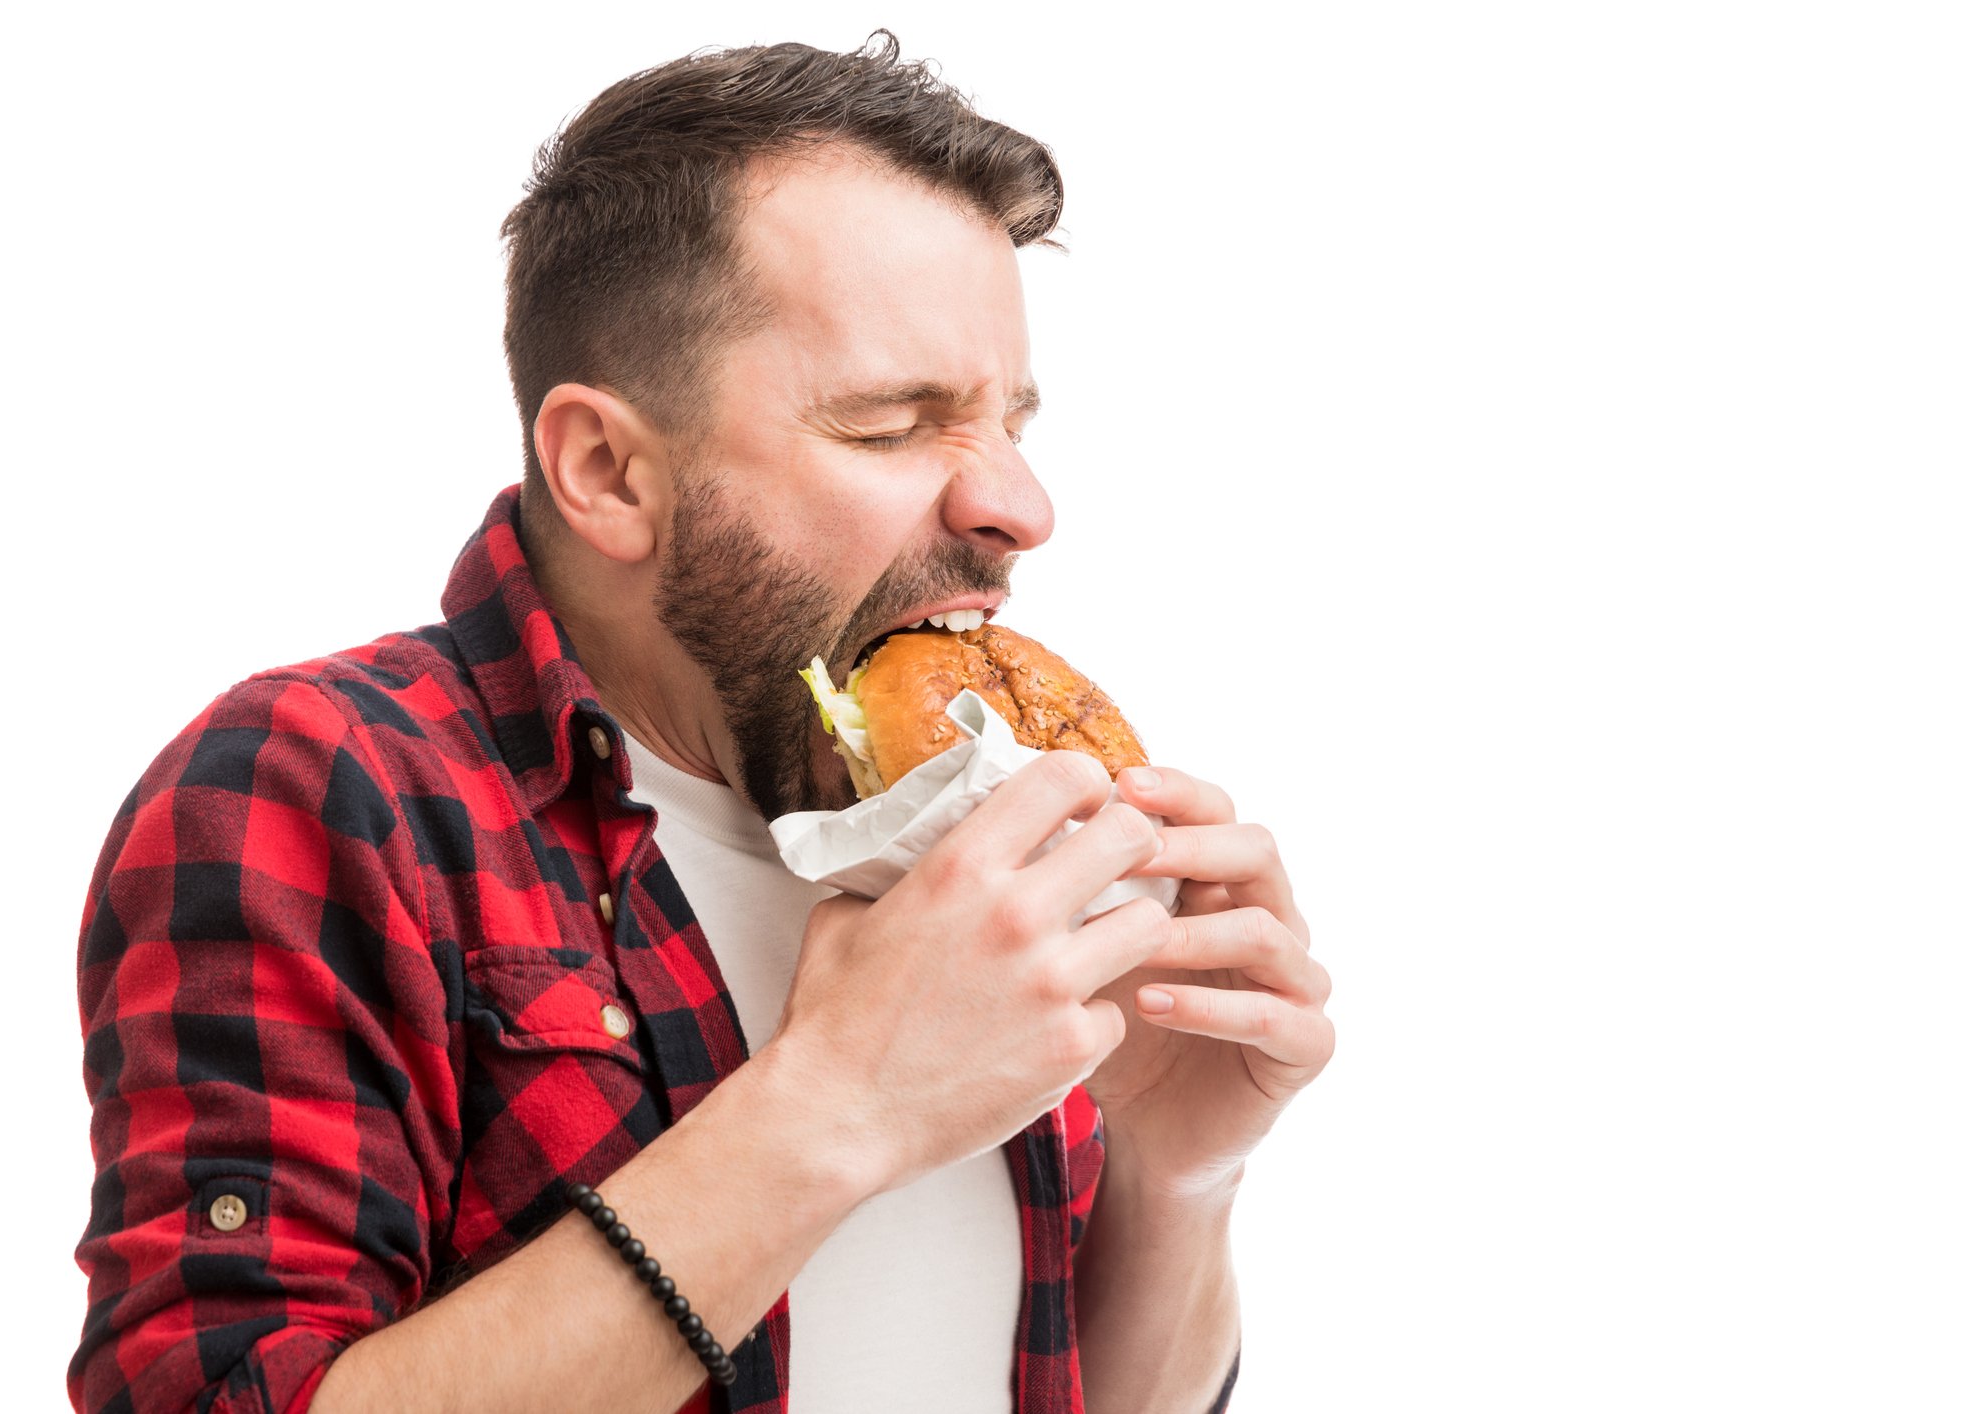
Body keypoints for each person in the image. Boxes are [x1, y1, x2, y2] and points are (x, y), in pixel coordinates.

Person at [70, 32, 1334, 1414]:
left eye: (1007, 422)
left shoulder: (980, 848)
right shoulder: (324, 783)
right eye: (892, 424)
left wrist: (1177, 1168)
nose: (1020, 508)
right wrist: (836, 1105)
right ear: (609, 470)